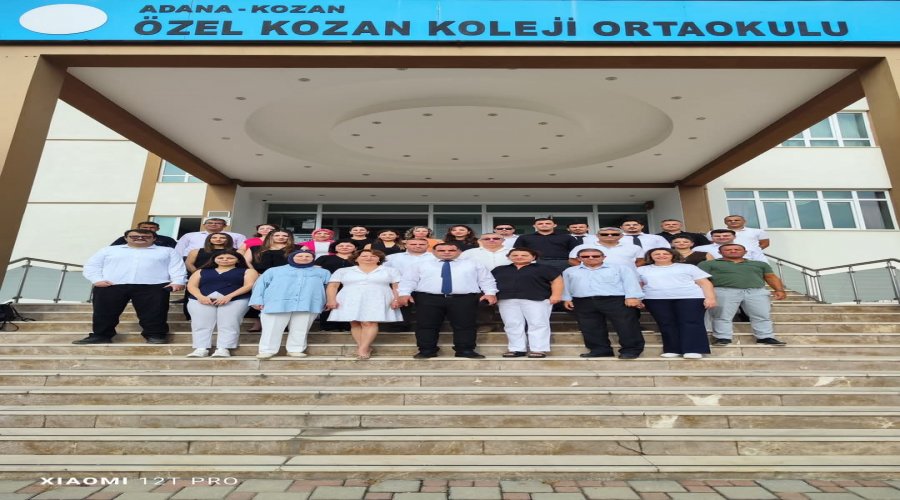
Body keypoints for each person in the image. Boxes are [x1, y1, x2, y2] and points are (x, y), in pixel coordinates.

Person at [74, 229, 185, 344]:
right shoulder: (109, 250)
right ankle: (101, 335)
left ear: (154, 238)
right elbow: (92, 265)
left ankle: (156, 335)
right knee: (104, 312)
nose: (140, 238)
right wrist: (97, 280)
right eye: (134, 236)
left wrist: (178, 281)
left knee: (155, 313)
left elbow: (177, 267)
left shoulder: (167, 251)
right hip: (111, 285)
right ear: (125, 238)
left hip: (153, 286)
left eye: (145, 236)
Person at [398, 243, 498, 359]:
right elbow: (409, 280)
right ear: (433, 252)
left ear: (459, 252)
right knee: (426, 325)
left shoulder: (473, 264)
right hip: (429, 298)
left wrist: (490, 293)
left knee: (465, 325)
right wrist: (404, 293)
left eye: (451, 250)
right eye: (441, 250)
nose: (446, 252)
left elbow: (486, 280)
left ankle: (465, 350)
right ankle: (427, 350)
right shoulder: (420, 265)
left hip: (463, 299)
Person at [699, 244, 788, 346]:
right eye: (728, 250)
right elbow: (700, 279)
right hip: (724, 290)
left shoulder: (759, 264)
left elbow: (770, 277)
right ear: (720, 252)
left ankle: (765, 337)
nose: (733, 251)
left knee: (762, 315)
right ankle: (722, 338)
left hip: (756, 291)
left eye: (737, 249)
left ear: (745, 252)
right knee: (721, 315)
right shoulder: (708, 264)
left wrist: (779, 290)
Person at [562, 248, 645, 359]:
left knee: (626, 325)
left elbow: (630, 282)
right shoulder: (570, 271)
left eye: (595, 256)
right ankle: (600, 350)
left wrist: (632, 297)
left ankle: (631, 350)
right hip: (583, 301)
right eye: (585, 256)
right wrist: (567, 299)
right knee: (590, 327)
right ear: (579, 258)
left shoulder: (620, 268)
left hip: (615, 300)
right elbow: (566, 285)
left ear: (603, 257)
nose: (590, 258)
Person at [249, 249, 331, 359]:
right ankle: (267, 350)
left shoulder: (323, 272)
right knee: (272, 328)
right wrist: (257, 300)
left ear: (313, 258)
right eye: (300, 256)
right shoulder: (274, 270)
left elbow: (329, 288)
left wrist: (329, 300)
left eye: (308, 256)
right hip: (276, 303)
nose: (304, 258)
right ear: (291, 257)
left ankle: (295, 349)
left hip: (308, 303)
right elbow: (260, 285)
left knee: (301, 328)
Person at [637, 248, 716, 359]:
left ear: (673, 255)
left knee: (691, 322)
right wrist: (638, 299)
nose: (661, 255)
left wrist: (710, 298)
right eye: (657, 254)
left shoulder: (688, 267)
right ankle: (672, 349)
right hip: (655, 299)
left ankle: (693, 349)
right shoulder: (641, 270)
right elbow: (638, 285)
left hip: (690, 298)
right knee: (666, 324)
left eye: (665, 253)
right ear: (650, 256)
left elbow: (705, 283)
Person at [325, 249, 403, 359]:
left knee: (369, 322)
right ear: (356, 259)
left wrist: (396, 299)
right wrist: (331, 300)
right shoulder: (343, 271)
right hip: (350, 298)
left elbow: (397, 286)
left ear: (379, 259)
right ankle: (363, 347)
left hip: (378, 298)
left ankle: (362, 349)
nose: (369, 258)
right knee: (355, 322)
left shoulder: (390, 270)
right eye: (364, 256)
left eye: (373, 256)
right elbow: (333, 286)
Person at [185, 249, 258, 358]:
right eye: (220, 258)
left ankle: (223, 348)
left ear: (238, 260)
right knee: (200, 323)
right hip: (202, 300)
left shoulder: (248, 271)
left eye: (230, 258)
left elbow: (249, 285)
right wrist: (200, 297)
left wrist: (229, 296)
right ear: (214, 259)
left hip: (235, 299)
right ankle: (201, 349)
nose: (225, 260)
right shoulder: (201, 271)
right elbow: (191, 285)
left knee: (229, 323)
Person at [492, 248, 563, 358]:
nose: (519, 257)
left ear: (533, 257)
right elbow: (489, 282)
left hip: (537, 299)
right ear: (508, 257)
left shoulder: (545, 268)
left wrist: (556, 295)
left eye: (524, 255)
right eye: (515, 255)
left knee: (538, 324)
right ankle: (516, 349)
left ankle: (538, 349)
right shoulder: (499, 269)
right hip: (507, 300)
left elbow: (557, 281)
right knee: (512, 324)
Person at [460, 233, 513, 333]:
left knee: (509, 304)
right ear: (480, 241)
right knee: (483, 303)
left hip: (508, 281)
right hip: (479, 281)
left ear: (503, 240)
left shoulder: (513, 251)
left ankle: (511, 324)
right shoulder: (469, 253)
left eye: (496, 238)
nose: (491, 240)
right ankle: (486, 324)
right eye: (487, 239)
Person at [314, 240, 357, 332]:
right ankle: (328, 327)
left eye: (348, 246)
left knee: (349, 305)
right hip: (329, 285)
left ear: (355, 248)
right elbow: (316, 272)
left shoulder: (359, 259)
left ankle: (347, 326)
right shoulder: (324, 258)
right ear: (335, 248)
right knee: (329, 304)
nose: (344, 247)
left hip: (352, 286)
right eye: (341, 246)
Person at [568, 228, 644, 268]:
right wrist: (587, 269)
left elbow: (641, 260)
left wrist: (629, 269)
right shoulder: (582, 247)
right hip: (593, 276)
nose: (609, 236)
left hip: (626, 277)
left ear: (621, 236)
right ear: (597, 236)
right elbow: (572, 260)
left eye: (614, 234)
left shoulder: (634, 247)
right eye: (604, 234)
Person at [174, 218, 246, 257]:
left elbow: (243, 251)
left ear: (225, 225)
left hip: (224, 261)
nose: (213, 224)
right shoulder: (189, 235)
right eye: (210, 223)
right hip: (191, 260)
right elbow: (179, 250)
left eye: (218, 223)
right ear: (204, 225)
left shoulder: (237, 236)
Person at [695, 229, 768, 262]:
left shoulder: (750, 247)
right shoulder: (699, 249)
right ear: (711, 238)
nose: (721, 237)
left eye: (726, 236)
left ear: (734, 237)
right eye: (717, 236)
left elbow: (762, 262)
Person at [110, 221, 177, 248]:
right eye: (145, 227)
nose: (148, 229)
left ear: (158, 229)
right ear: (138, 228)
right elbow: (113, 248)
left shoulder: (167, 239)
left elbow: (176, 251)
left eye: (152, 227)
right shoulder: (126, 238)